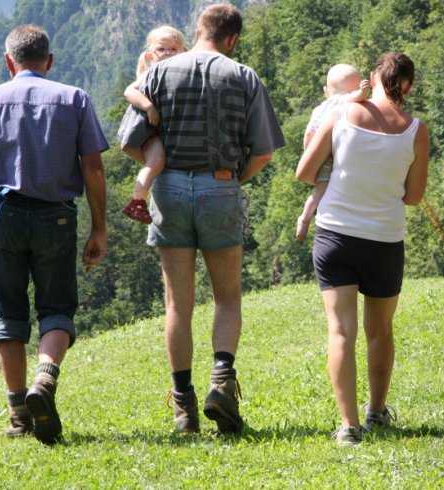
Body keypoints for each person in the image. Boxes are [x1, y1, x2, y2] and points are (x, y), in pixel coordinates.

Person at [118, 3, 285, 434]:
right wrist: (229, 179)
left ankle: (183, 407)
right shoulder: (244, 76)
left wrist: (163, 168)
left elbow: (128, 142)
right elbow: (263, 152)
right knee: (227, 297)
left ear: (198, 31)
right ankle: (221, 383)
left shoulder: (158, 73)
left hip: (169, 189)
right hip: (220, 186)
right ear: (232, 39)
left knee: (178, 303)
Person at [0, 24, 108, 444]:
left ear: (10, 62)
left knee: (9, 315)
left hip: (1, 215)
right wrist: (99, 227)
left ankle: (19, 412)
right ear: (50, 61)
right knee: (57, 308)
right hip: (55, 217)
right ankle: (46, 378)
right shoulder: (74, 98)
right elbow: (93, 167)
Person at [296, 52, 429, 446]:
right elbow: (414, 197)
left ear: (372, 78)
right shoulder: (416, 130)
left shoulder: (341, 113)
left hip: (336, 234)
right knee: (380, 330)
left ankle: (348, 426)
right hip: (385, 239)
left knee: (341, 331)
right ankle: (377, 411)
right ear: (410, 86)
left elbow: (305, 171)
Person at [295, 64, 370, 240]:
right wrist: (363, 92)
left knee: (319, 192)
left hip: (322, 158)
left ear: (326, 91)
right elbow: (355, 96)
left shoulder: (318, 109)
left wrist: (310, 155)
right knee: (328, 192)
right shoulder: (344, 101)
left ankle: (305, 220)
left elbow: (309, 134)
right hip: (337, 158)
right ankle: (305, 220)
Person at [119, 25, 185, 225]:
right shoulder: (152, 73)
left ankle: (153, 178)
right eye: (162, 49)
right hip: (150, 131)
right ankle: (137, 199)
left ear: (183, 52)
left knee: (158, 163)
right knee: (156, 161)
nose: (168, 53)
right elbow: (129, 91)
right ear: (150, 56)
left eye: (173, 49)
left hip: (157, 131)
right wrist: (149, 107)